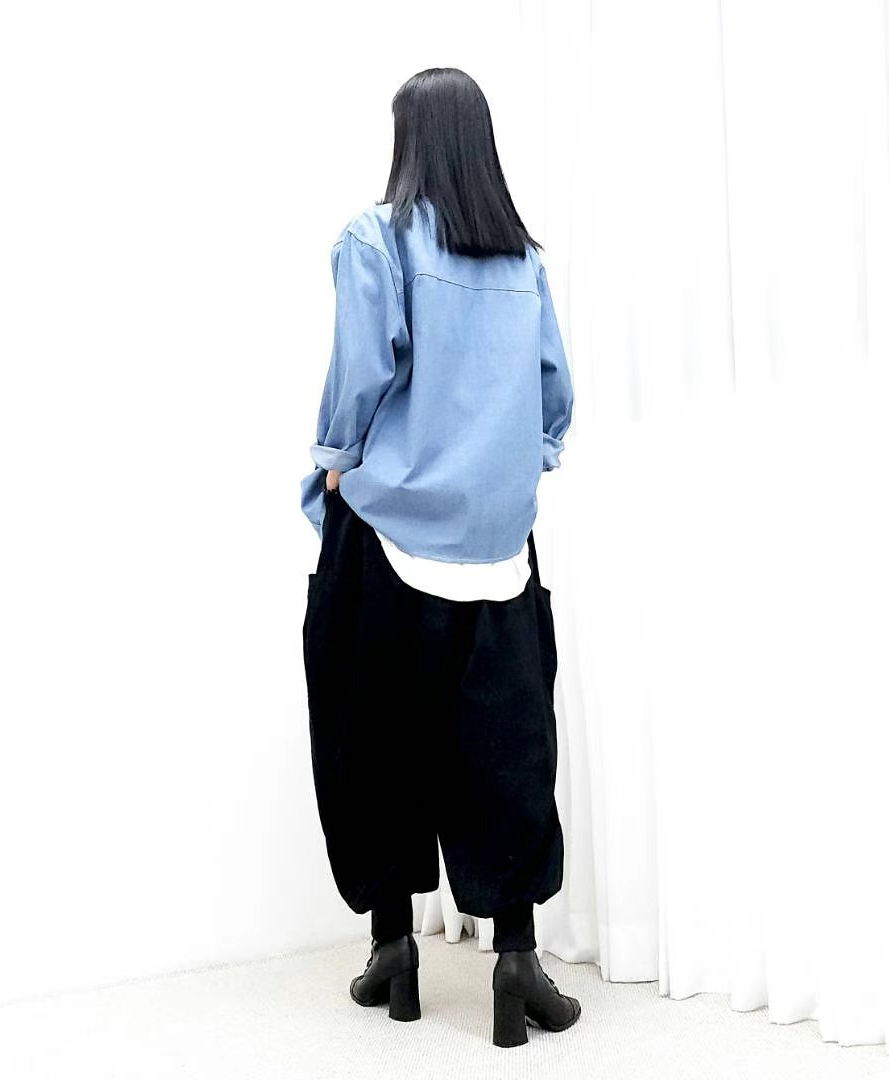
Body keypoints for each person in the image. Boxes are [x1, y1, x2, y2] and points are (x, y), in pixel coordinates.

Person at [300, 67, 579, 1049]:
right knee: (509, 747)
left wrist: (336, 463)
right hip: (500, 546)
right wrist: (511, 465)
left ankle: (395, 952)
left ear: (409, 141)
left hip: (389, 537)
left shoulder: (374, 239)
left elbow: (360, 374)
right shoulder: (521, 261)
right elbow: (553, 397)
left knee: (373, 739)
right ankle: (516, 961)